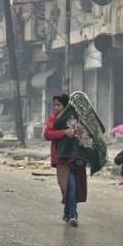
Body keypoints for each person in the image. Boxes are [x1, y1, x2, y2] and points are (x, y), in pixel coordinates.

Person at [43, 94, 81, 226]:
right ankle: (71, 214)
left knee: (72, 188)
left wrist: (76, 132)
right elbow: (47, 134)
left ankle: (71, 215)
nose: (56, 107)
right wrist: (64, 132)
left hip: (74, 157)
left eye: (59, 105)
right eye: (55, 105)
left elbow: (82, 134)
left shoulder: (73, 117)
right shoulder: (53, 118)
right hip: (61, 159)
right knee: (67, 187)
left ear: (66, 106)